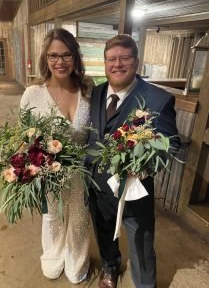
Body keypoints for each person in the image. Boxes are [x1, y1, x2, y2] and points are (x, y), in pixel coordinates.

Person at [87, 34, 180, 288]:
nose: (117, 64)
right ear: (104, 63)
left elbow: (171, 143)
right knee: (104, 230)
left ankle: (145, 284)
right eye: (111, 59)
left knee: (141, 240)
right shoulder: (96, 92)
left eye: (124, 58)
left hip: (134, 188)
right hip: (98, 184)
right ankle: (110, 267)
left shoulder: (157, 98)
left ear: (136, 62)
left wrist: (144, 163)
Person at [20, 28, 94, 284]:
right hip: (49, 170)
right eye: (53, 56)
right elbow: (24, 135)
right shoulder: (33, 93)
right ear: (45, 58)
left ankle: (77, 259)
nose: (59, 62)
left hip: (82, 170)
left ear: (75, 57)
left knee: (79, 217)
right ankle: (53, 255)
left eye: (66, 55)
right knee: (52, 215)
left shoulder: (88, 89)